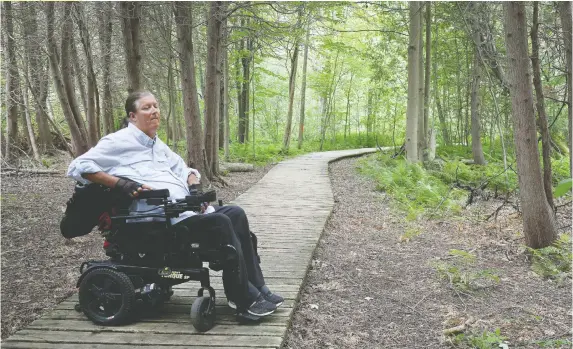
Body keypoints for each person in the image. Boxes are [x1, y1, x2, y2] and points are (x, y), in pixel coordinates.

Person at [67, 91, 283, 317]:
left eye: (156, 106)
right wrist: (120, 184)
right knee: (220, 221)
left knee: (235, 213)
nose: (154, 111)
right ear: (132, 116)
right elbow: (78, 167)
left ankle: (259, 288)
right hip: (153, 220)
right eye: (146, 108)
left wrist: (193, 187)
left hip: (180, 211)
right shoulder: (117, 141)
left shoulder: (156, 144)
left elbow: (185, 169)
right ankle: (242, 298)